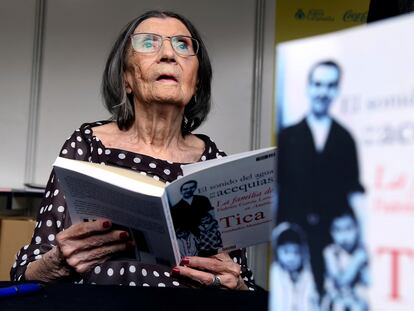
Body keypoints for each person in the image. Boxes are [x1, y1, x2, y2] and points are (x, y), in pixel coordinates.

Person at [10, 10, 253, 290]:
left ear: (196, 81)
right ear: (127, 78)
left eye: (182, 45)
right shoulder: (86, 146)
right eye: (148, 43)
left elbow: (240, 279)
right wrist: (56, 263)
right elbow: (28, 273)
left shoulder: (214, 163)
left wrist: (235, 285)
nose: (168, 54)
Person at [277, 60, 365, 295]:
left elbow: (355, 192)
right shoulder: (287, 137)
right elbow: (277, 188)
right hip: (295, 241)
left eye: (330, 85)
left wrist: (363, 242)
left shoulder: (345, 139)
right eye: (317, 84)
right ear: (308, 87)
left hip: (333, 241)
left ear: (337, 90)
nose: (323, 92)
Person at [321, 208, 368, 311]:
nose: (344, 236)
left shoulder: (362, 251)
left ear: (357, 229)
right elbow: (339, 281)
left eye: (348, 229)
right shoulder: (330, 252)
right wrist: (356, 262)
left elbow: (368, 281)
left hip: (357, 299)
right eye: (338, 230)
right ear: (331, 233)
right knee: (339, 306)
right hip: (335, 298)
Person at [269, 223, 320, 311]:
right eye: (286, 252)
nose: (291, 258)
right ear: (277, 251)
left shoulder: (308, 276)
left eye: (296, 252)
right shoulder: (274, 273)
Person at [171, 180, 222, 257]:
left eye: (191, 188)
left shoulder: (203, 199)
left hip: (208, 232)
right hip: (190, 237)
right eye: (185, 189)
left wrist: (210, 226)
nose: (188, 190)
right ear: (181, 191)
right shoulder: (176, 207)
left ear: (194, 188)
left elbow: (213, 216)